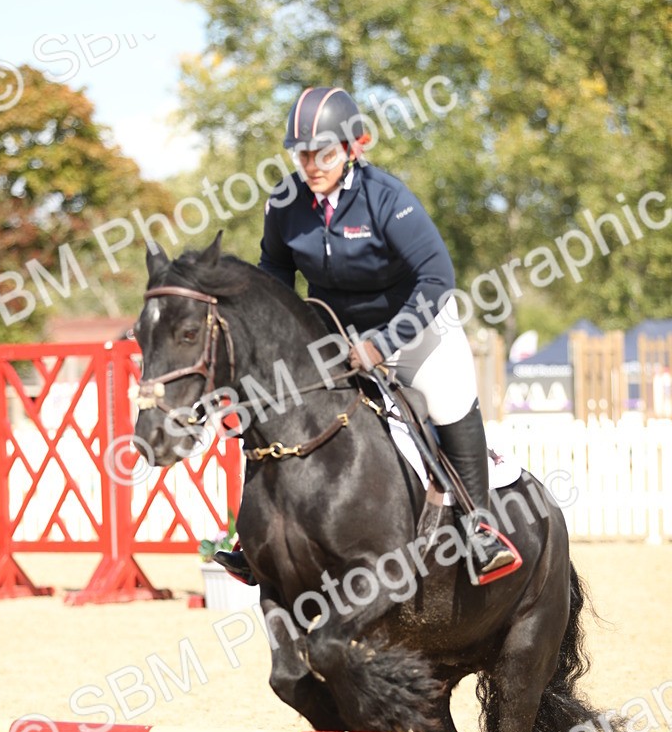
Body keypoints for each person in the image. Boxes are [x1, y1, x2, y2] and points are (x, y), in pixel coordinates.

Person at [215, 85, 518, 586]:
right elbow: (275, 271)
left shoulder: (387, 198)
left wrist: (384, 342)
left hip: (416, 326)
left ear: (351, 148)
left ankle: (479, 528)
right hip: (335, 334)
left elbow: (437, 277)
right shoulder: (285, 203)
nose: (311, 164)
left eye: (323, 152)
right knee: (277, 405)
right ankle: (255, 538)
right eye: (302, 153)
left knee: (447, 403)